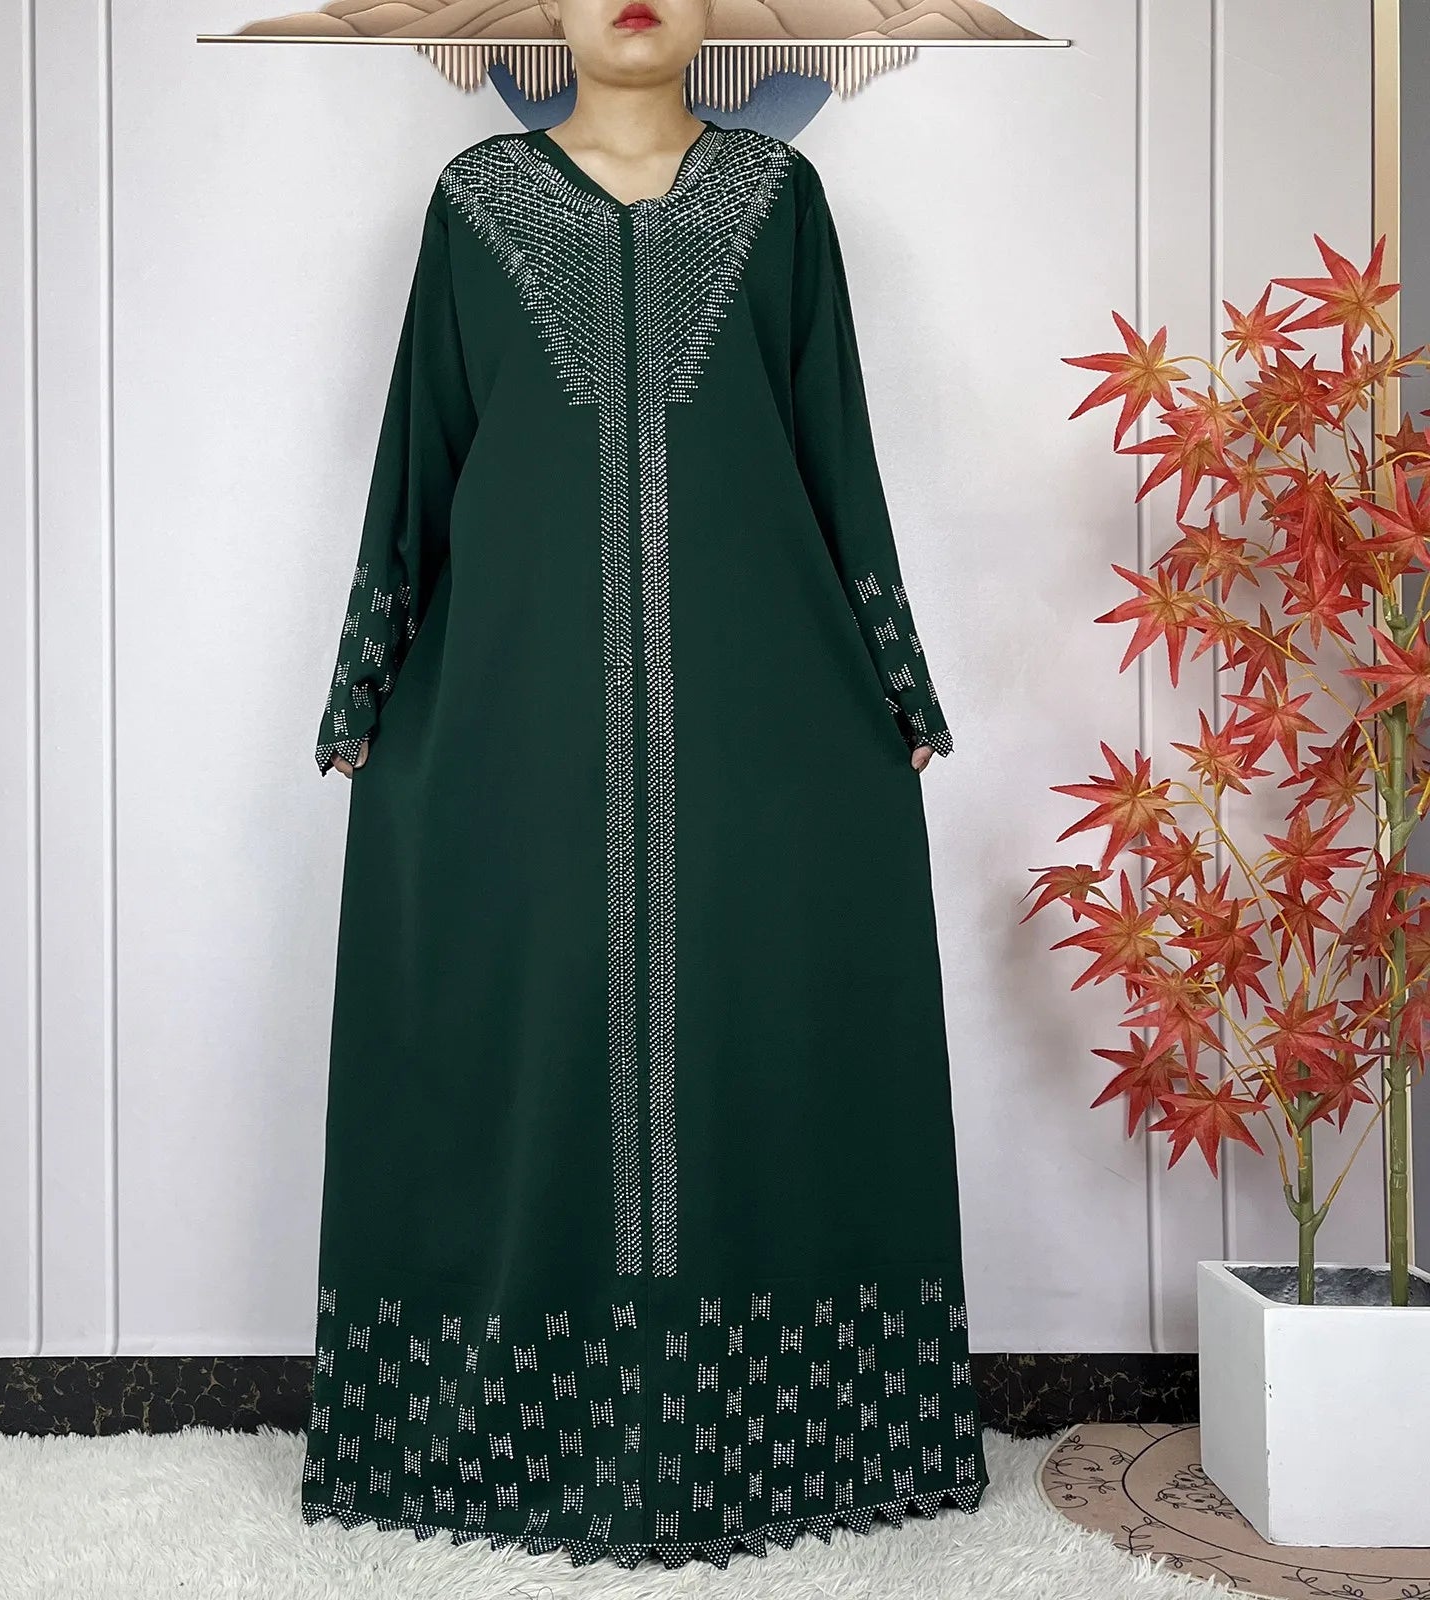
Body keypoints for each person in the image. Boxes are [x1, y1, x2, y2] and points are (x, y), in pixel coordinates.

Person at [300, 0, 986, 1570]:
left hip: (767, 716)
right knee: (526, 1035)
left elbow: (836, 451)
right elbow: (420, 456)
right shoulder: (477, 203)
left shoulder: (777, 199)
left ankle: (778, 1436)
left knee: (755, 1037)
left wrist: (895, 681)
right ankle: (505, 1431)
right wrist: (367, 685)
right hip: (511, 709)